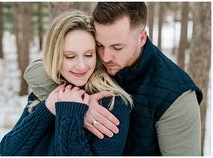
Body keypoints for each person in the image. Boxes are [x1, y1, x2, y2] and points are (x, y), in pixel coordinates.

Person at [23, 2, 203, 156]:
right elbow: (36, 70)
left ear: (141, 38)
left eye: (117, 47)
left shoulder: (177, 95)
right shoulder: (90, 60)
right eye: (99, 45)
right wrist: (77, 105)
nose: (106, 56)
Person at [0, 10, 134, 156]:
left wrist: (71, 114)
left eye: (89, 55)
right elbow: (8, 152)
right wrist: (48, 108)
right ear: (54, 56)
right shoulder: (45, 95)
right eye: (70, 56)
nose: (82, 66)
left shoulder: (112, 104)